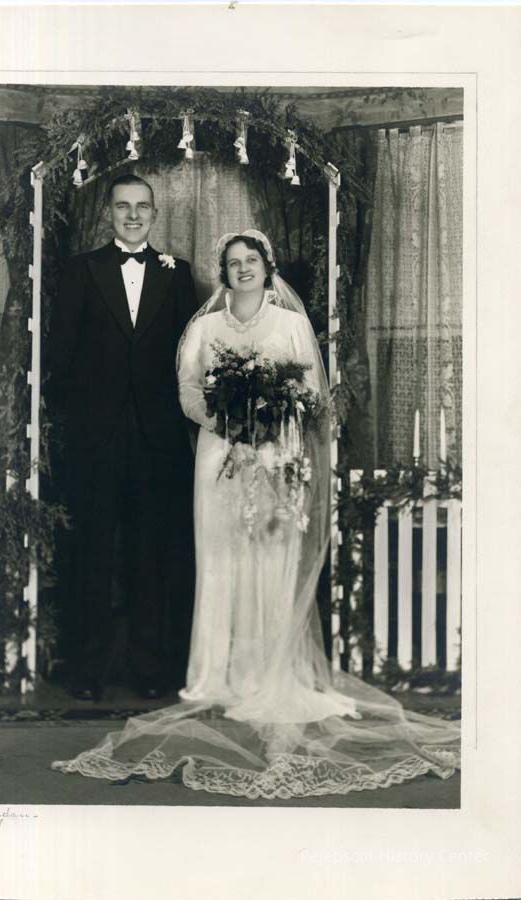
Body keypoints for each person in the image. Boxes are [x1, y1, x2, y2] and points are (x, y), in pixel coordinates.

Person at [52, 231, 460, 799]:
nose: (242, 269)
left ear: (268, 268)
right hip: (220, 457)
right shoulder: (204, 328)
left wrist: (271, 421)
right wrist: (223, 418)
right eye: (232, 262)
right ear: (222, 272)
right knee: (221, 559)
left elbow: (312, 396)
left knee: (270, 558)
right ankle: (215, 675)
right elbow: (186, 389)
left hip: (275, 458)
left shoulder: (289, 325)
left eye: (251, 261)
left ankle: (269, 674)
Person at [46, 174, 198, 701]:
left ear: (154, 214)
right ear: (108, 213)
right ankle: (86, 670)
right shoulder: (81, 269)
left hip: (158, 439)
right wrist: (81, 418)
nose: (133, 215)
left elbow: (188, 357)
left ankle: (150, 671)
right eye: (122, 206)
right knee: (91, 551)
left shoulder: (178, 274)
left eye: (142, 207)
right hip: (95, 437)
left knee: (150, 552)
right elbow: (60, 354)